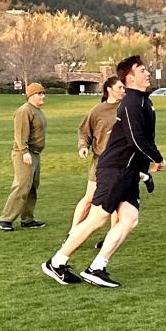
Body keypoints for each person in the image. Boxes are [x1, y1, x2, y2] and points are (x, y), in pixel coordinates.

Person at [43, 54, 164, 287]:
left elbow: (141, 140)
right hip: (115, 168)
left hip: (127, 170)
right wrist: (157, 157)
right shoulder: (130, 102)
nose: (147, 73)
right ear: (129, 78)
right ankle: (57, 261)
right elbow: (136, 139)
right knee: (98, 218)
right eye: (142, 70)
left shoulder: (143, 102)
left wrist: (144, 171)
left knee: (129, 219)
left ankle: (97, 267)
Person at [71, 72, 126, 228]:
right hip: (100, 161)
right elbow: (84, 132)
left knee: (119, 199)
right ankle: (72, 232)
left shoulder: (127, 109)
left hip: (121, 162)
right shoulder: (98, 110)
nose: (123, 90)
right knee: (89, 197)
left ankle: (111, 236)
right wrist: (83, 147)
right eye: (120, 87)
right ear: (109, 89)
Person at [0, 82, 50, 231]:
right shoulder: (24, 111)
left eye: (43, 93)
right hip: (24, 153)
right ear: (31, 95)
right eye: (39, 94)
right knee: (22, 185)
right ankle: (5, 219)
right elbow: (20, 135)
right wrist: (25, 152)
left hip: (35, 153)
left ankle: (28, 219)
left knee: (32, 187)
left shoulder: (37, 110)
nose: (43, 96)